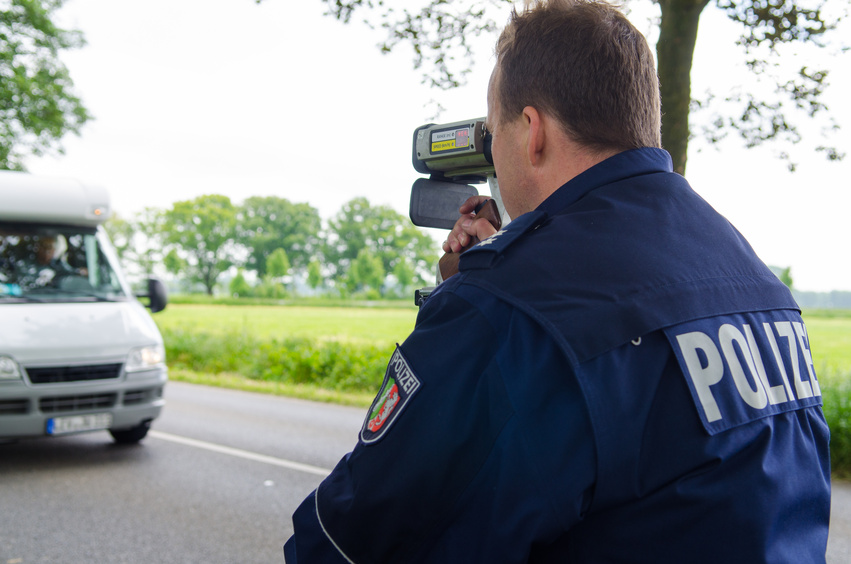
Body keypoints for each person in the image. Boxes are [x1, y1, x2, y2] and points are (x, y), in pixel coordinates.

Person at [284, 0, 831, 561]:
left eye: (494, 132)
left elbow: (355, 538)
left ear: (532, 131)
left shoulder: (508, 310)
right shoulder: (758, 284)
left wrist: (473, 303)